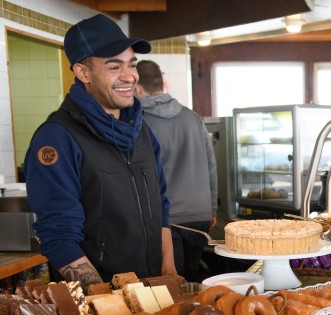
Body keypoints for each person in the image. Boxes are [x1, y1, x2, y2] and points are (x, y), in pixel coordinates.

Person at [23, 14, 177, 289]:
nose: (129, 75)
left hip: (154, 289)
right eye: (114, 66)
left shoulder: (141, 131)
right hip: (101, 300)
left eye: (132, 64)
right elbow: (58, 235)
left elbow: (161, 206)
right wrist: (104, 298)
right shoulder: (57, 137)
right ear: (83, 73)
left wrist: (168, 274)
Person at [135, 60, 217, 283]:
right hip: (199, 214)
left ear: (138, 88)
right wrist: (211, 208)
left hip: (166, 220)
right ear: (163, 84)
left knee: (172, 282)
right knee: (192, 276)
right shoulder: (193, 118)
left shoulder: (140, 122)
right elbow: (211, 164)